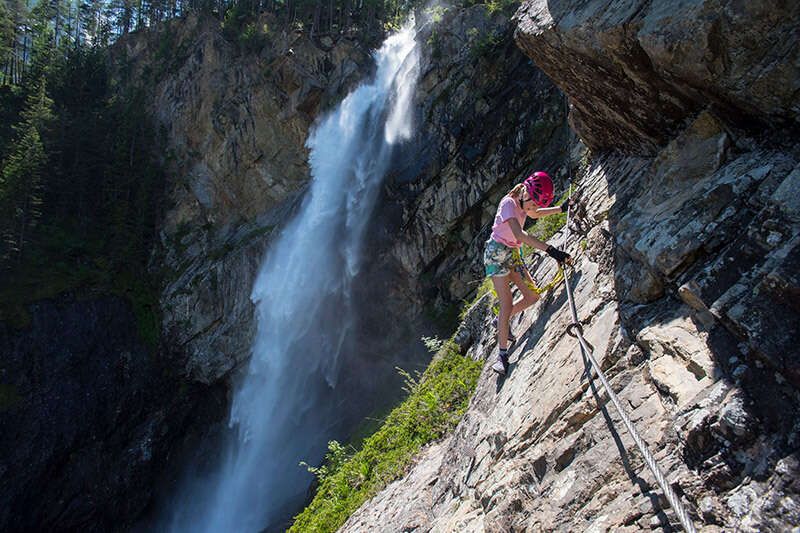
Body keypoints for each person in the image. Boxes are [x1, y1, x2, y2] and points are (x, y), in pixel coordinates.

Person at [483, 171, 572, 375]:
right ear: (526, 193)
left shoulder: (526, 201)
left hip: (511, 252)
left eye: (535, 205)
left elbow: (535, 214)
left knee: (533, 296)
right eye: (532, 204)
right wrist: (551, 250)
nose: (533, 208)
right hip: (496, 254)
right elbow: (519, 234)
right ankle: (502, 355)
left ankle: (501, 321)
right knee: (506, 302)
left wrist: (561, 208)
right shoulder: (509, 203)